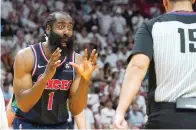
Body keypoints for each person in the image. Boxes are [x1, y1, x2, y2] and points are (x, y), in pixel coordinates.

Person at [114, 0, 196, 129]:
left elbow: (137, 67)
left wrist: (120, 112)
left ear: (165, 1)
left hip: (166, 118)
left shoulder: (152, 26)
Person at [12, 11, 98, 129]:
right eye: (61, 26)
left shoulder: (77, 61)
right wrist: (45, 77)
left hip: (60, 125)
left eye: (69, 27)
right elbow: (24, 105)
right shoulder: (27, 57)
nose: (66, 32)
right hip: (28, 124)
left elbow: (75, 109)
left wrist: (85, 80)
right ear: (48, 29)